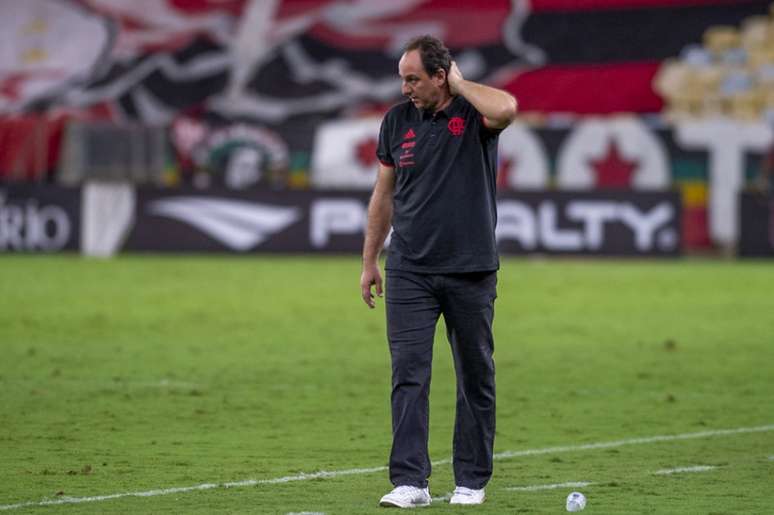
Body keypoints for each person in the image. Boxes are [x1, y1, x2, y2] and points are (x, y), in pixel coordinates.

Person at [360, 35, 517, 508]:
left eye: (414, 78)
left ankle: (470, 480)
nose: (406, 87)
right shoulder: (396, 121)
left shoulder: (474, 116)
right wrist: (370, 259)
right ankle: (411, 482)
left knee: (475, 375)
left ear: (440, 75)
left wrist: (462, 85)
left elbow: (507, 108)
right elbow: (383, 195)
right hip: (409, 268)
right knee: (409, 373)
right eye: (402, 79)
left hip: (470, 268)